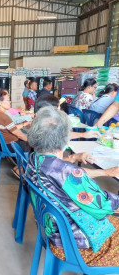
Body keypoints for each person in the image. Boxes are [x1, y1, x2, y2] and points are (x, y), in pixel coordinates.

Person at [25, 106, 119, 267]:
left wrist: (105, 171)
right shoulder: (68, 172)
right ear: (64, 139)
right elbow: (104, 206)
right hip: (73, 241)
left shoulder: (34, 159)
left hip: (52, 229)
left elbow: (65, 173)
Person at [0, 90, 30, 177]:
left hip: (3, 143)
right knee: (34, 146)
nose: (10, 102)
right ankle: (20, 170)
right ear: (0, 102)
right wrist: (30, 141)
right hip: (10, 145)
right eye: (8, 100)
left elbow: (12, 128)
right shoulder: (4, 117)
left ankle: (18, 167)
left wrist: (24, 124)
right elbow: (19, 134)